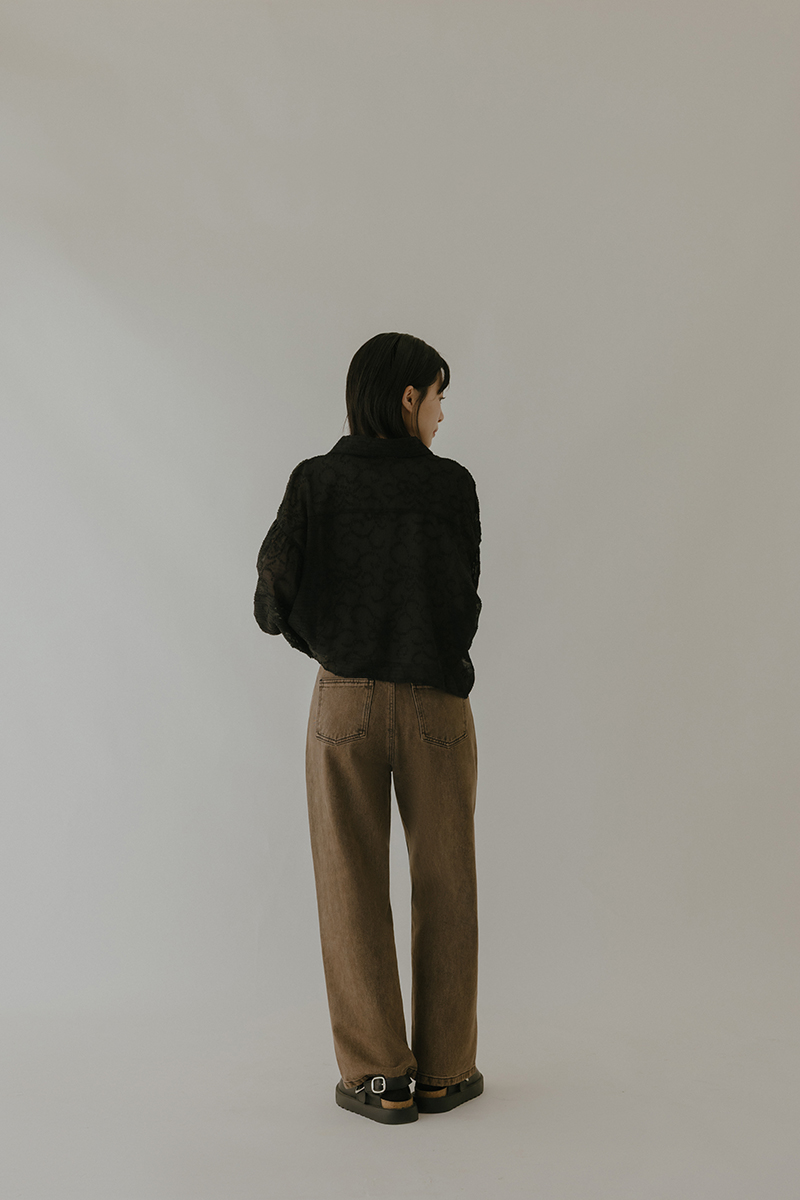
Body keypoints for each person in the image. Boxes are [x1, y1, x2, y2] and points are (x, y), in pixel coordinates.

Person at [253, 332, 483, 1124]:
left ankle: (380, 1078)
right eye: (438, 396)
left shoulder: (315, 482)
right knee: (447, 880)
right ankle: (446, 1071)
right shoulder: (451, 486)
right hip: (436, 704)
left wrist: (333, 643)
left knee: (349, 883)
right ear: (408, 397)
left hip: (344, 702)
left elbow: (271, 597)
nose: (442, 414)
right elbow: (464, 602)